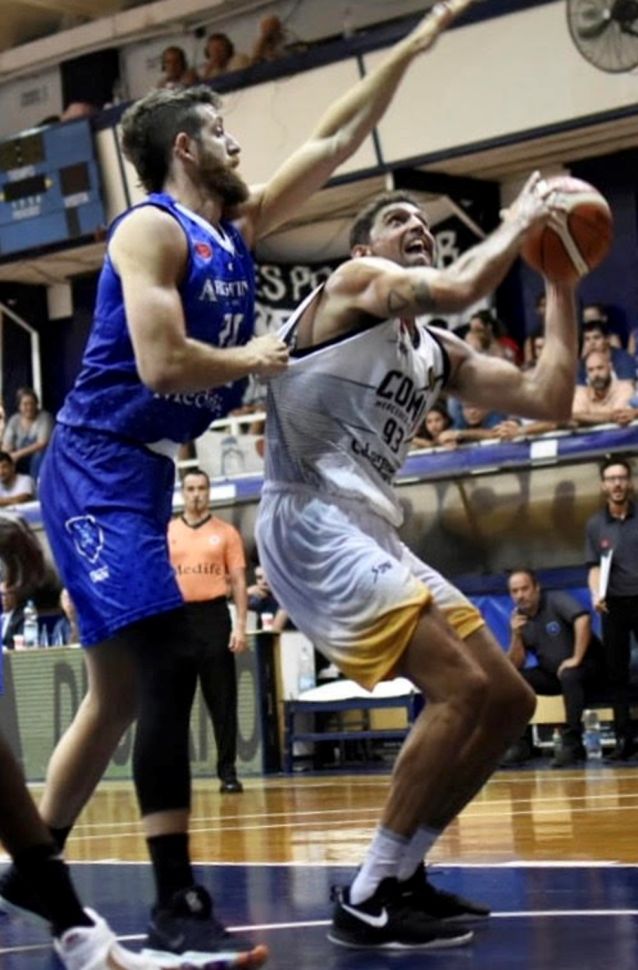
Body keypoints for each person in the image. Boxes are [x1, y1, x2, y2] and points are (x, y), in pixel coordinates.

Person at [0, 5, 477, 967]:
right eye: (221, 131)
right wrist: (253, 357)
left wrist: (410, 49)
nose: (237, 143)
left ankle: (32, 861)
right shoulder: (149, 229)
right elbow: (162, 361)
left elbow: (333, 138)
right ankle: (177, 900)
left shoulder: (238, 225)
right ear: (185, 147)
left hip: (140, 471)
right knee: (170, 654)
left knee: (115, 694)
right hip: (95, 461)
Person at [255, 177, 580, 950]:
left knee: (507, 701)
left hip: (369, 526)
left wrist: (561, 280)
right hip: (308, 516)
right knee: (459, 689)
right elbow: (462, 285)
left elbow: (551, 398)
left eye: (426, 222)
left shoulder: (433, 350)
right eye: (400, 219)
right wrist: (521, 220)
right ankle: (369, 894)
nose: (419, 228)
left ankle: (401, 874)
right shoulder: (353, 284)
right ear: (364, 248)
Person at [0, 516, 194, 970]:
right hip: (103, 507)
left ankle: (68, 921)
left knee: (119, 696)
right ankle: (154, 904)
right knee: (150, 675)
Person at [168, 469, 247, 794]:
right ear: (182, 493)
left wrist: (240, 625)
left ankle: (228, 773)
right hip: (178, 618)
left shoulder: (226, 533)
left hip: (214, 616)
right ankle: (175, 775)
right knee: (175, 702)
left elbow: (239, 581)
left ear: (209, 492)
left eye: (201, 488)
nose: (196, 494)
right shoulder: (168, 532)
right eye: (190, 489)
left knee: (222, 699)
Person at [503, 569, 604, 767]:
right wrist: (516, 635)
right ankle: (521, 743)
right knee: (515, 680)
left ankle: (573, 744)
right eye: (515, 591)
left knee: (569, 674)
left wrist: (576, 658)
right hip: (554, 674)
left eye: (524, 589)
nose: (520, 595)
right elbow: (515, 665)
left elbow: (583, 619)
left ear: (536, 588)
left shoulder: (555, 600)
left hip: (589, 668)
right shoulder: (518, 619)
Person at [586, 458, 638, 761]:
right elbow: (593, 566)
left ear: (629, 482)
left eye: (621, 477)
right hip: (614, 605)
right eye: (611, 479)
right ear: (603, 485)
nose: (617, 483)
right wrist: (596, 594)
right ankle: (623, 738)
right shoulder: (595, 525)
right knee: (616, 674)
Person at [571, 350, 635, 427]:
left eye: (600, 368)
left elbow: (619, 416)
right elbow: (574, 416)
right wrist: (610, 417)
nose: (596, 374)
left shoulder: (624, 388)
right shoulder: (582, 392)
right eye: (591, 370)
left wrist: (584, 417)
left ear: (610, 367)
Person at [2, 387, 53, 480]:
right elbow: (7, 444)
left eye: (32, 403)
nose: (29, 407)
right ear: (19, 406)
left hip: (37, 460)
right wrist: (7, 456)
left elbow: (42, 443)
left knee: (39, 455)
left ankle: (35, 485)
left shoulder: (45, 417)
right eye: (25, 404)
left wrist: (17, 454)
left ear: (37, 404)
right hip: (19, 461)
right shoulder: (14, 420)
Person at [0, 581, 25, 650]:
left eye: (8, 594)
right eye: (2, 594)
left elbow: (19, 646)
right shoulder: (1, 617)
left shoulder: (21, 618)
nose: (4, 599)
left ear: (15, 596)